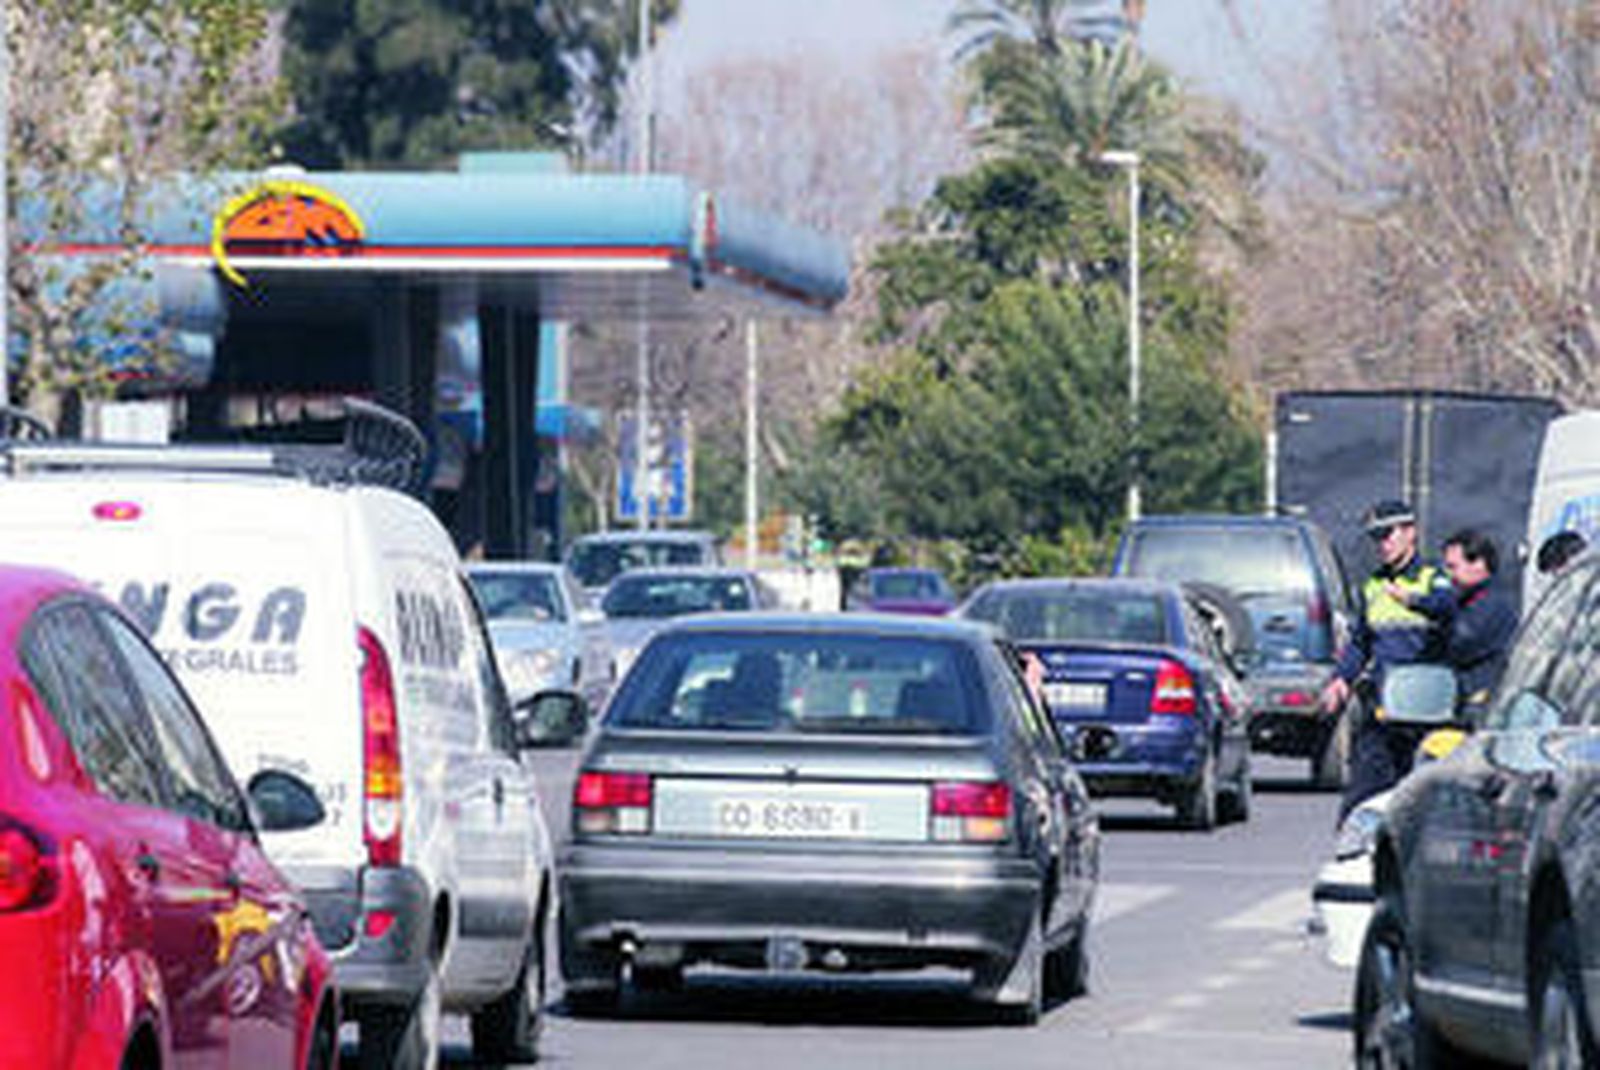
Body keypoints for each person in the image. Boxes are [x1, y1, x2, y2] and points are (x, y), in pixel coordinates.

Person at [1321, 499, 1453, 818]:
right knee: (1362, 798)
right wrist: (1341, 679)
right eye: (1376, 538)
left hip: (1425, 710)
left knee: (1422, 800)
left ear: (1411, 532)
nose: (1382, 544)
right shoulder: (1374, 585)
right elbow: (1360, 642)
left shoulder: (1432, 577)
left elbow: (1447, 606)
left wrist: (1413, 600)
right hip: (1383, 707)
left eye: (1388, 534)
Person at [1391, 528, 1519, 720]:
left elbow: (1459, 642)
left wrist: (1426, 622)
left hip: (1480, 706)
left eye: (1453, 567)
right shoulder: (1467, 600)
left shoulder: (1493, 604)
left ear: (1479, 564)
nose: (1448, 575)